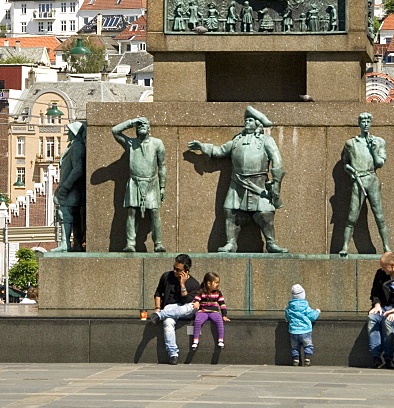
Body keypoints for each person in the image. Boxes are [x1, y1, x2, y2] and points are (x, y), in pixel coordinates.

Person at [187, 106, 287, 253]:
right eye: (246, 120)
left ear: (258, 124)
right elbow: (220, 150)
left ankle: (271, 243)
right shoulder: (237, 140)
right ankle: (231, 243)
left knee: (265, 213)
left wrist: (276, 184)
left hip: (258, 183)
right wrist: (203, 147)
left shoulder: (267, 140)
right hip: (237, 183)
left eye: (251, 120)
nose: (247, 122)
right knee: (230, 211)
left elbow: (277, 162)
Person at [111, 116, 167, 252]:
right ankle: (130, 243)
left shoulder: (157, 143)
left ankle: (158, 243)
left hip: (152, 182)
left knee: (154, 212)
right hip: (134, 182)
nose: (141, 126)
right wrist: (132, 122)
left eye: (144, 125)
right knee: (131, 212)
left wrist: (162, 186)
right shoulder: (130, 143)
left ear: (149, 128)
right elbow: (115, 131)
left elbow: (162, 165)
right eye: (139, 125)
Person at [339, 112, 390, 257]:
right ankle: (344, 246)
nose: (366, 124)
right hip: (358, 180)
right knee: (352, 216)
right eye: (363, 121)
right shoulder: (351, 143)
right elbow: (345, 164)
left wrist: (373, 151)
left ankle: (386, 246)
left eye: (368, 121)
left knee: (379, 216)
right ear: (359, 124)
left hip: (372, 179)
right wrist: (350, 171)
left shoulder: (379, 142)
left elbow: (380, 163)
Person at [149, 253, 201, 365]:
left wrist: (182, 284)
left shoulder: (194, 283)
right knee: (168, 322)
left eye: (178, 270)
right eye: (174, 268)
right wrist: (157, 307)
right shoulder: (166, 276)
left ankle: (160, 315)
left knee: (192, 306)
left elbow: (187, 299)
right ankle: (173, 354)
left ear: (186, 270)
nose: (175, 271)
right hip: (169, 307)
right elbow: (158, 292)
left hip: (185, 308)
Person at [367, 251, 394, 368]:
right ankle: (376, 357)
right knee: (372, 318)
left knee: (388, 321)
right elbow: (375, 292)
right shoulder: (381, 274)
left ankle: (388, 358)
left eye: (384, 267)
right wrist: (376, 304)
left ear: (393, 265)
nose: (382, 269)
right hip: (383, 307)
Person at [53, 122, 86, 252]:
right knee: (73, 216)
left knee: (65, 215)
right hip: (71, 188)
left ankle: (65, 244)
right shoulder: (73, 146)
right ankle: (75, 243)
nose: (68, 133)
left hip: (72, 189)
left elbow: (78, 169)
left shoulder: (77, 146)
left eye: (70, 131)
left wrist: (66, 186)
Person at [191, 272, 228, 350]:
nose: (218, 284)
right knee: (197, 321)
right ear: (209, 283)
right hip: (203, 311)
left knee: (219, 320)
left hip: (214, 312)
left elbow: (222, 304)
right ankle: (195, 340)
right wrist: (197, 302)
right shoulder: (201, 291)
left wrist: (224, 315)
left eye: (218, 282)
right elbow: (197, 299)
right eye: (216, 282)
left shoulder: (218, 292)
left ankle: (221, 340)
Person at [286, 283, 320, 366]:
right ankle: (307, 359)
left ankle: (296, 360)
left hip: (293, 331)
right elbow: (312, 316)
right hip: (305, 331)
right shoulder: (305, 307)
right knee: (308, 345)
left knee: (295, 347)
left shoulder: (289, 308)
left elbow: (287, 317)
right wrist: (317, 311)